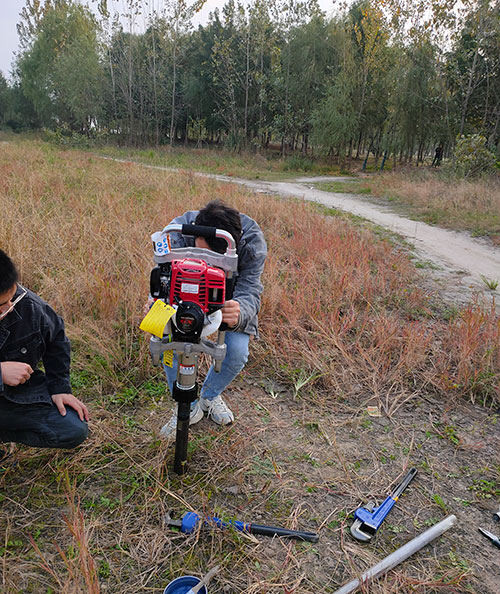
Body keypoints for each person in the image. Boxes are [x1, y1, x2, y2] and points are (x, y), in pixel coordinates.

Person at [158, 200, 267, 438]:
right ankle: (185, 404)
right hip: (182, 301)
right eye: (207, 253)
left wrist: (240, 310)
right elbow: (161, 276)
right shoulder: (176, 233)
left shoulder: (253, 243)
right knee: (165, 338)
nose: (211, 261)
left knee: (237, 352)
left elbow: (251, 289)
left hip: (227, 302)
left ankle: (209, 396)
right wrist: (154, 301)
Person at [0, 250, 89, 452]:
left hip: (15, 399)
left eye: (11, 298)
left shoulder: (27, 304)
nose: (10, 308)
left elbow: (56, 340)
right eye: (1, 305)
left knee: (72, 429)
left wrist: (60, 387)